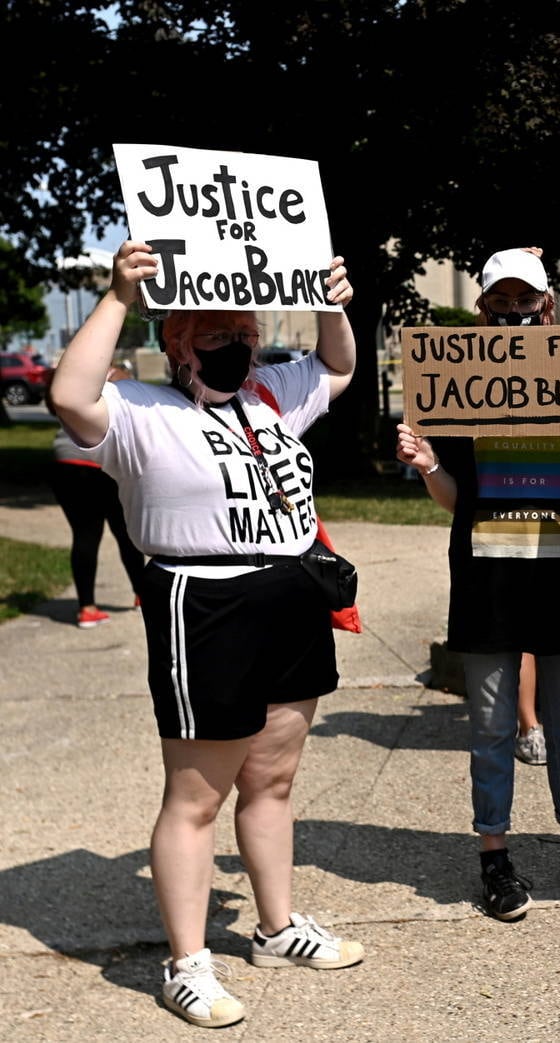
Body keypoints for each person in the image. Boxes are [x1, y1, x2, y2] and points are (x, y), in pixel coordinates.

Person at [48, 241, 364, 1029]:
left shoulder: (271, 394)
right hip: (205, 602)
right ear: (178, 342)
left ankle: (276, 924)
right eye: (214, 331)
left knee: (273, 780)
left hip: (291, 590)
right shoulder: (139, 411)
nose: (236, 342)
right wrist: (121, 294)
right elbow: (68, 393)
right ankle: (188, 962)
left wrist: (331, 300)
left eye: (244, 330)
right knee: (197, 796)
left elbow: (340, 365)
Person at [395, 247, 560, 924]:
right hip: (489, 579)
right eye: (503, 301)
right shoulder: (458, 385)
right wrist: (427, 463)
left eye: (528, 301)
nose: (517, 312)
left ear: (547, 307)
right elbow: (453, 499)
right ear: (484, 309)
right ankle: (494, 854)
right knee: (492, 727)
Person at [46, 367, 148, 627]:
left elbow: (52, 404)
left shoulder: (75, 375)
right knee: (125, 534)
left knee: (84, 534)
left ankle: (87, 608)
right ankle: (143, 594)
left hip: (66, 460)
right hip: (103, 463)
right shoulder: (119, 375)